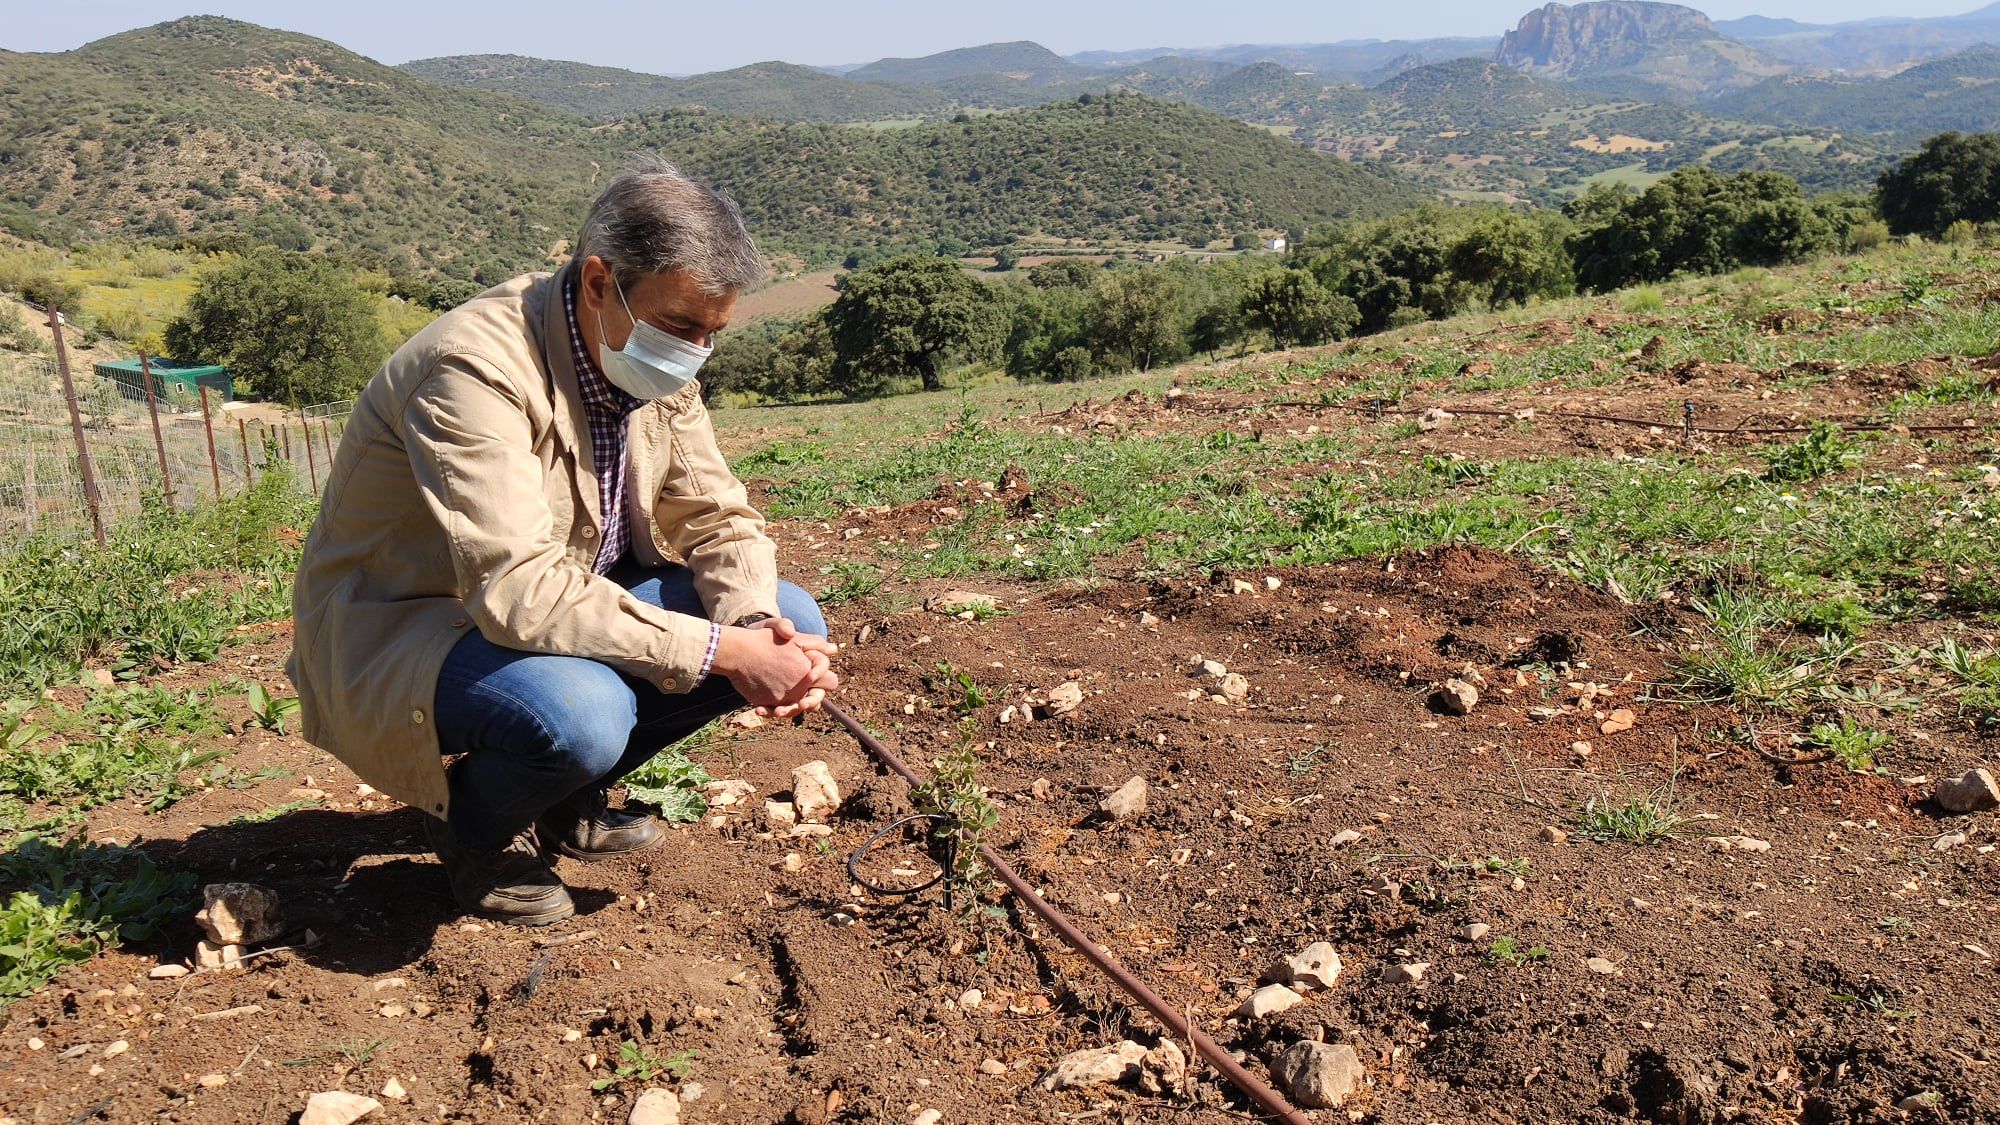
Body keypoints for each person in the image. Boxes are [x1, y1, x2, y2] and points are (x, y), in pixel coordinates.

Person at [287, 158, 838, 926]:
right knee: (584, 713)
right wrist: (727, 652)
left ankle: (562, 794)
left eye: (711, 334)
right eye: (681, 327)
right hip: (416, 627)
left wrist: (752, 624)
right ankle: (472, 830)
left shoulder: (645, 360)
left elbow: (717, 516)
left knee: (789, 614)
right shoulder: (473, 369)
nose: (694, 352)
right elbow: (516, 587)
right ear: (599, 283)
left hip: (551, 601)